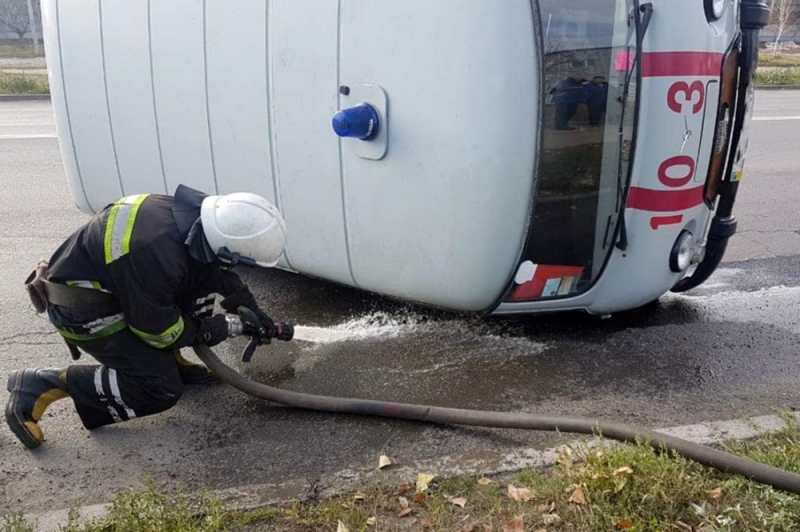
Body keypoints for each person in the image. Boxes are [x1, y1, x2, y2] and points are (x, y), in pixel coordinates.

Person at [6, 184, 287, 449]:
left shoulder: (196, 219)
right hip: (82, 311)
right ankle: (45, 383)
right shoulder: (155, 255)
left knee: (196, 288)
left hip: (118, 290)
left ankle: (169, 361)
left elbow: (215, 269)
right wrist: (215, 328)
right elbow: (159, 331)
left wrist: (250, 309)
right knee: (160, 388)